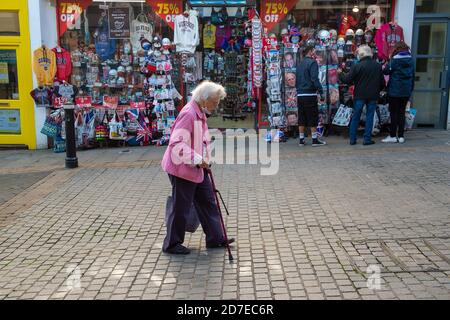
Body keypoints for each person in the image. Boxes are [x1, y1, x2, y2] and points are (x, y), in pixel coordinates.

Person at [161, 81, 234, 254]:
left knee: (208, 201)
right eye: (215, 102)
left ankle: (216, 238)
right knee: (181, 207)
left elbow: (201, 139)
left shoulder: (199, 112)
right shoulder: (189, 113)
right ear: (204, 98)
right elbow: (176, 143)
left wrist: (204, 158)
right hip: (182, 168)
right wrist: (198, 158)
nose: (216, 106)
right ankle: (171, 244)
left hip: (197, 167)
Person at [339, 45, 385, 145]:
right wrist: (377, 90)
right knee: (370, 116)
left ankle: (352, 139)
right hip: (373, 95)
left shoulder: (357, 66)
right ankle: (367, 139)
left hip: (359, 95)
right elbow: (382, 83)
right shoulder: (377, 66)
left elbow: (347, 80)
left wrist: (340, 73)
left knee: (356, 116)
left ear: (362, 54)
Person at [382, 41, 414, 144]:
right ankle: (401, 136)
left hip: (394, 91)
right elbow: (413, 76)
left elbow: (386, 71)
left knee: (394, 113)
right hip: (406, 91)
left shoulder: (394, 60)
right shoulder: (411, 60)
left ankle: (392, 135)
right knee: (401, 113)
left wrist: (387, 62)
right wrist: (410, 89)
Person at [296, 45, 327, 147]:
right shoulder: (312, 63)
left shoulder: (300, 63)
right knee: (312, 116)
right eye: (313, 50)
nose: (315, 52)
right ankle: (314, 140)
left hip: (300, 94)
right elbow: (314, 78)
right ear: (310, 51)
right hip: (309, 93)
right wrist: (321, 91)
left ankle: (301, 140)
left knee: (301, 116)